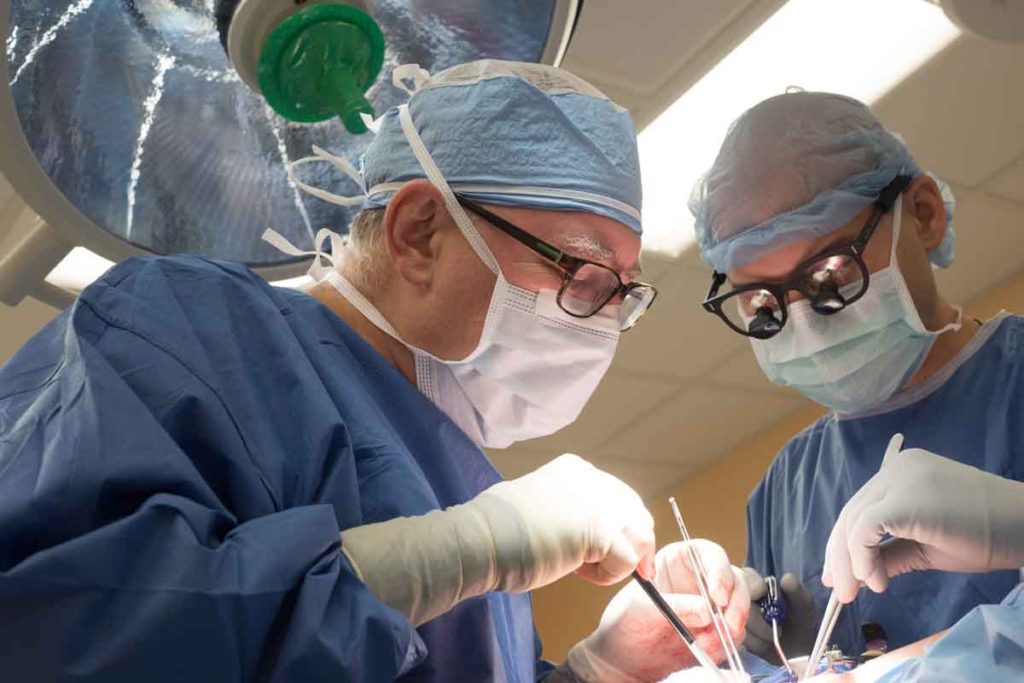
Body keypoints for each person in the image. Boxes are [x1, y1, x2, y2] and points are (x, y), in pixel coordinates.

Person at [0, 60, 749, 682]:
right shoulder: (189, 327)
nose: (603, 318)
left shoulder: (463, 489)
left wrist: (602, 669)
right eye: (583, 274)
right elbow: (60, 626)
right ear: (419, 231)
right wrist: (467, 550)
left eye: (623, 292)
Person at [687, 91, 1024, 662]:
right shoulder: (784, 488)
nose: (804, 325)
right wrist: (751, 647)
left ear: (922, 216)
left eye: (831, 273)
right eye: (763, 303)